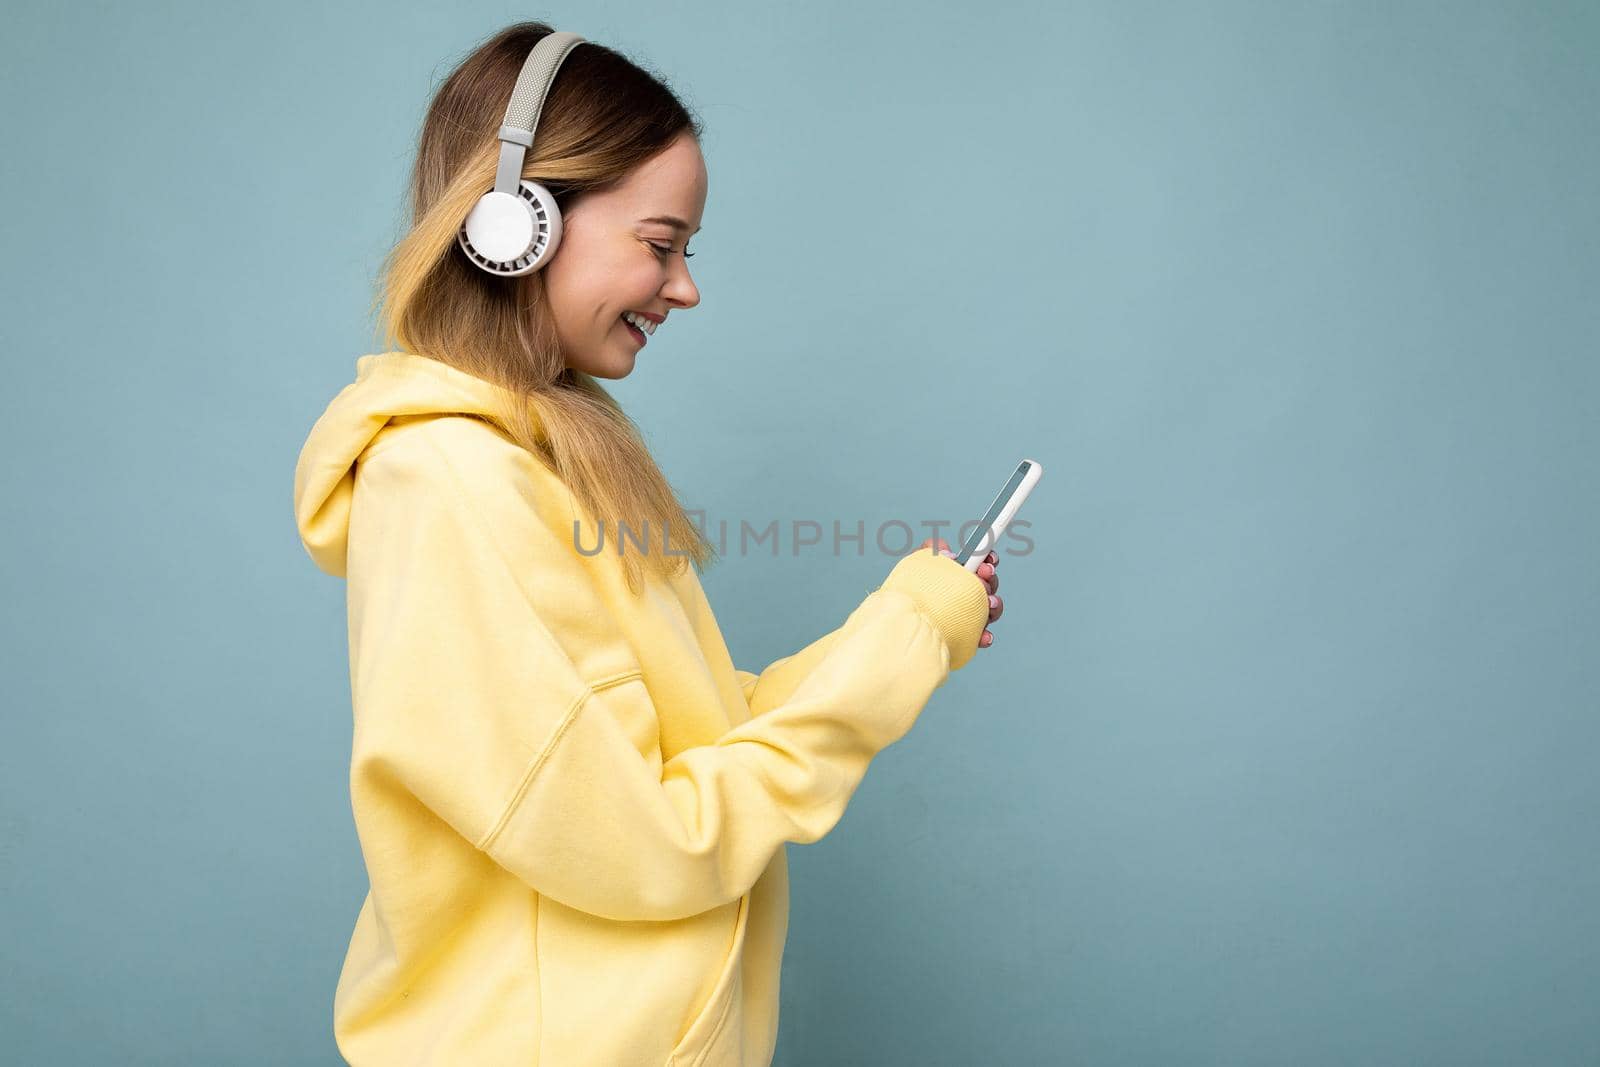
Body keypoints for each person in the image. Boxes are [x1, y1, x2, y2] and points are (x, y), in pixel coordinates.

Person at [292, 21, 1007, 1067]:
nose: (684, 287)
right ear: (515, 223)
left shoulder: (545, 453)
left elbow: (688, 738)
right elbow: (649, 839)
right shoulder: (450, 483)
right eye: (660, 242)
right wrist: (900, 643)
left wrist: (911, 629)